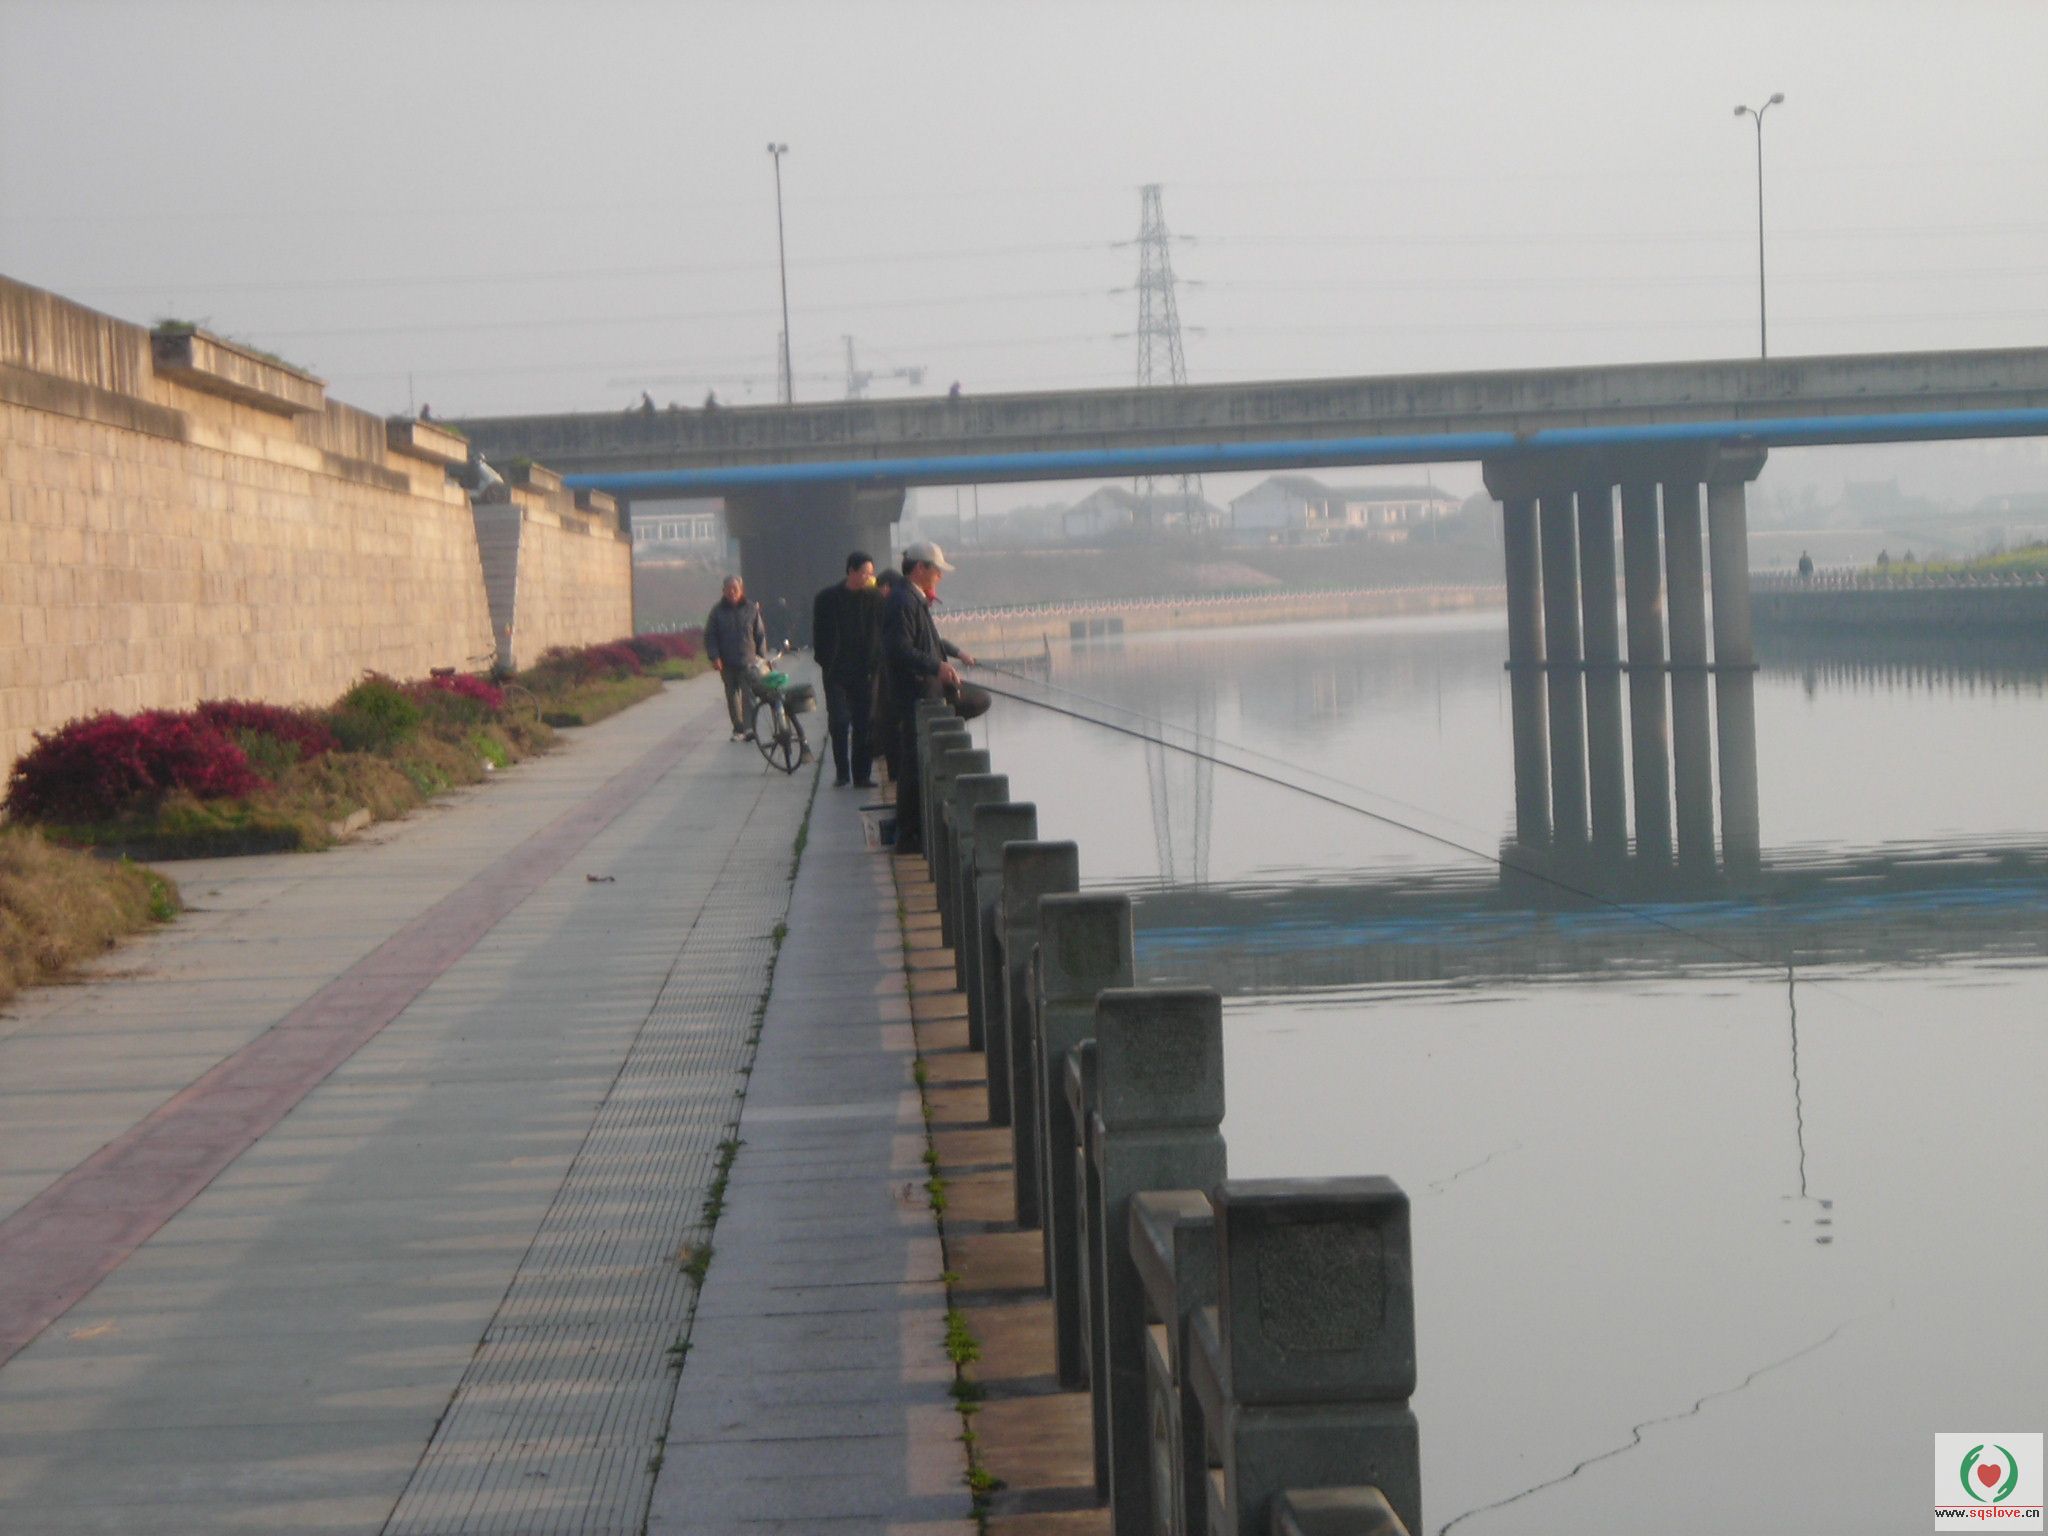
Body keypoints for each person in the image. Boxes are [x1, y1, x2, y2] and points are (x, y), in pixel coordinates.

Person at [880, 541, 989, 855]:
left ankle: (912, 833)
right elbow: (899, 649)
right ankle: (909, 836)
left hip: (925, 691)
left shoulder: (912, 598)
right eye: (937, 570)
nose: (940, 576)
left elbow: (928, 641)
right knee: (913, 766)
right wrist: (936, 667)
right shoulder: (903, 601)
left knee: (916, 762)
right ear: (920, 568)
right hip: (915, 695)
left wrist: (949, 657)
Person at [812, 551, 884, 789]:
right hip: (836, 672)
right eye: (864, 573)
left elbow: (881, 632)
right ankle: (842, 772)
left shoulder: (875, 599)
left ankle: (862, 775)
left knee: (864, 723)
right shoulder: (827, 599)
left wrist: (876, 661)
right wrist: (825, 661)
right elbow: (819, 635)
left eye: (871, 573)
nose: (868, 577)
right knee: (840, 721)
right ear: (851, 571)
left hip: (865, 672)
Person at [704, 574, 768, 742]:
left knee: (749, 695)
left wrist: (762, 658)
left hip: (748, 661)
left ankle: (749, 728)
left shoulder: (751, 609)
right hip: (727, 662)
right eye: (728, 589)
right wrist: (714, 657)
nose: (732, 592)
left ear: (741, 590)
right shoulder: (717, 612)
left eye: (735, 589)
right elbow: (710, 636)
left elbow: (760, 634)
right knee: (732, 697)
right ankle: (738, 728)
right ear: (723, 591)